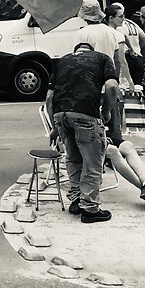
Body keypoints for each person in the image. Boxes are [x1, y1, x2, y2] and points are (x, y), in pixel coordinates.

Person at [46, 41, 120, 223]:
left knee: (73, 158)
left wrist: (54, 127)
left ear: (76, 51)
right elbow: (111, 87)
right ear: (91, 52)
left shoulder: (62, 61)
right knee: (92, 162)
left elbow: (49, 98)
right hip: (85, 114)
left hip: (60, 115)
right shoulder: (102, 58)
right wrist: (107, 111)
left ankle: (76, 201)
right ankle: (90, 209)